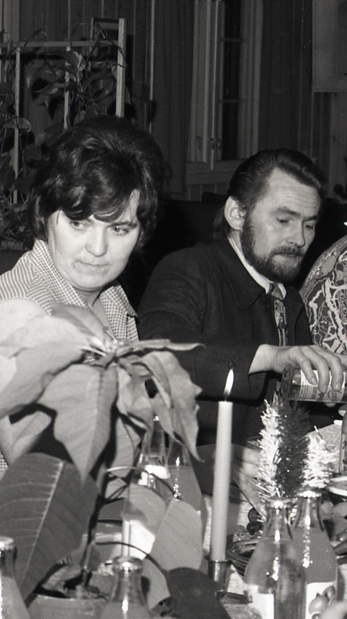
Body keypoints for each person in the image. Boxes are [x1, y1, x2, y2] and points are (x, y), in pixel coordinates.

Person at [0, 116, 168, 527]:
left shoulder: (110, 299)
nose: (97, 249)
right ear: (46, 214)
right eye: (79, 223)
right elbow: (48, 476)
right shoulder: (19, 315)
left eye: (119, 228)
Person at [138, 149, 347, 443]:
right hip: (189, 479)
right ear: (236, 214)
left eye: (309, 225)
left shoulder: (290, 301)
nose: (300, 239)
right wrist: (272, 356)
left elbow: (299, 418)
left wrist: (332, 396)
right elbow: (158, 354)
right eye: (284, 220)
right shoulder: (190, 268)